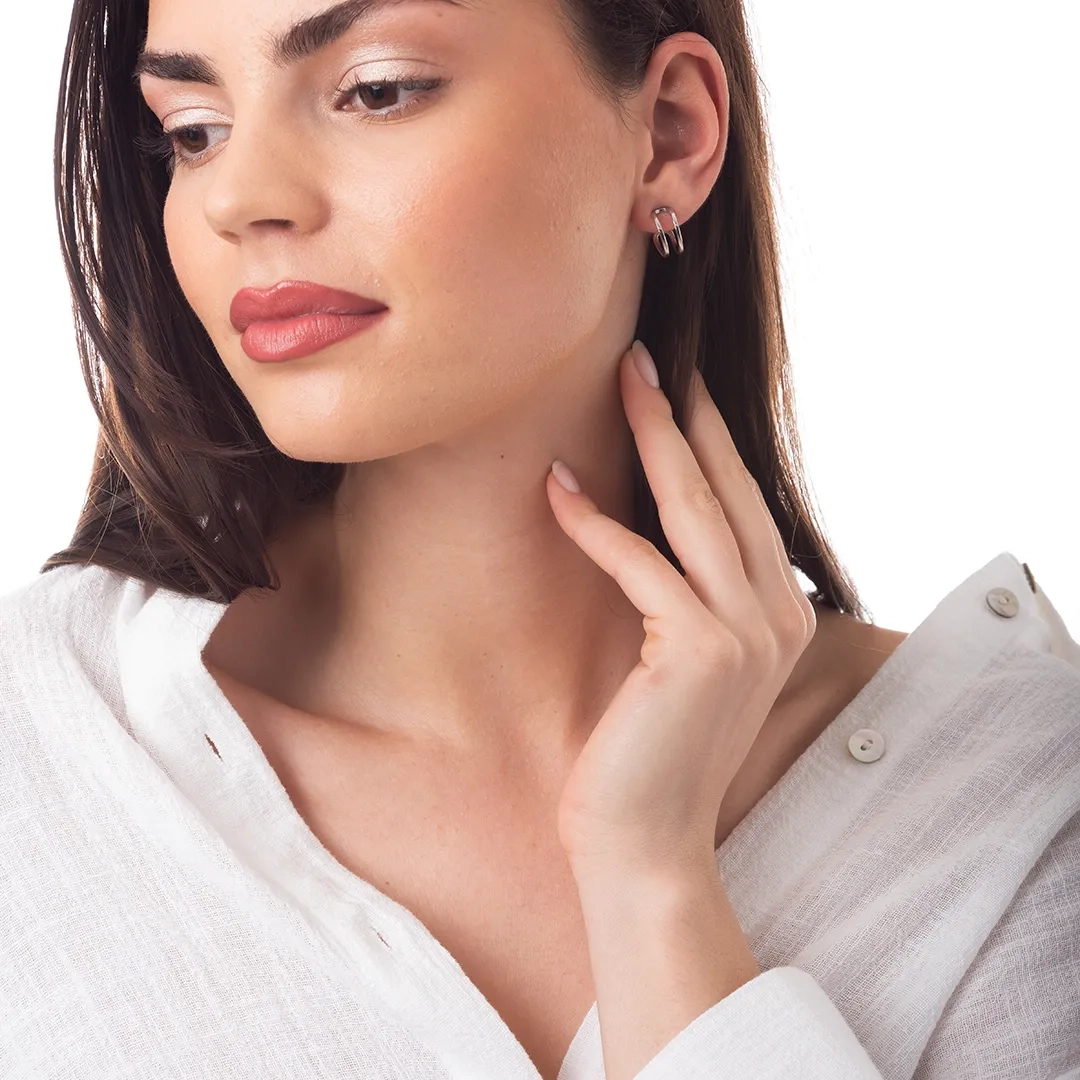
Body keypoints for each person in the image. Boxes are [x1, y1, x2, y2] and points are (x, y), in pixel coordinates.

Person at [1, 0, 1077, 1077]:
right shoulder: (38, 749)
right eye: (194, 131)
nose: (238, 198)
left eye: (377, 90)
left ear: (669, 131)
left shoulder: (1017, 808)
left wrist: (651, 876)